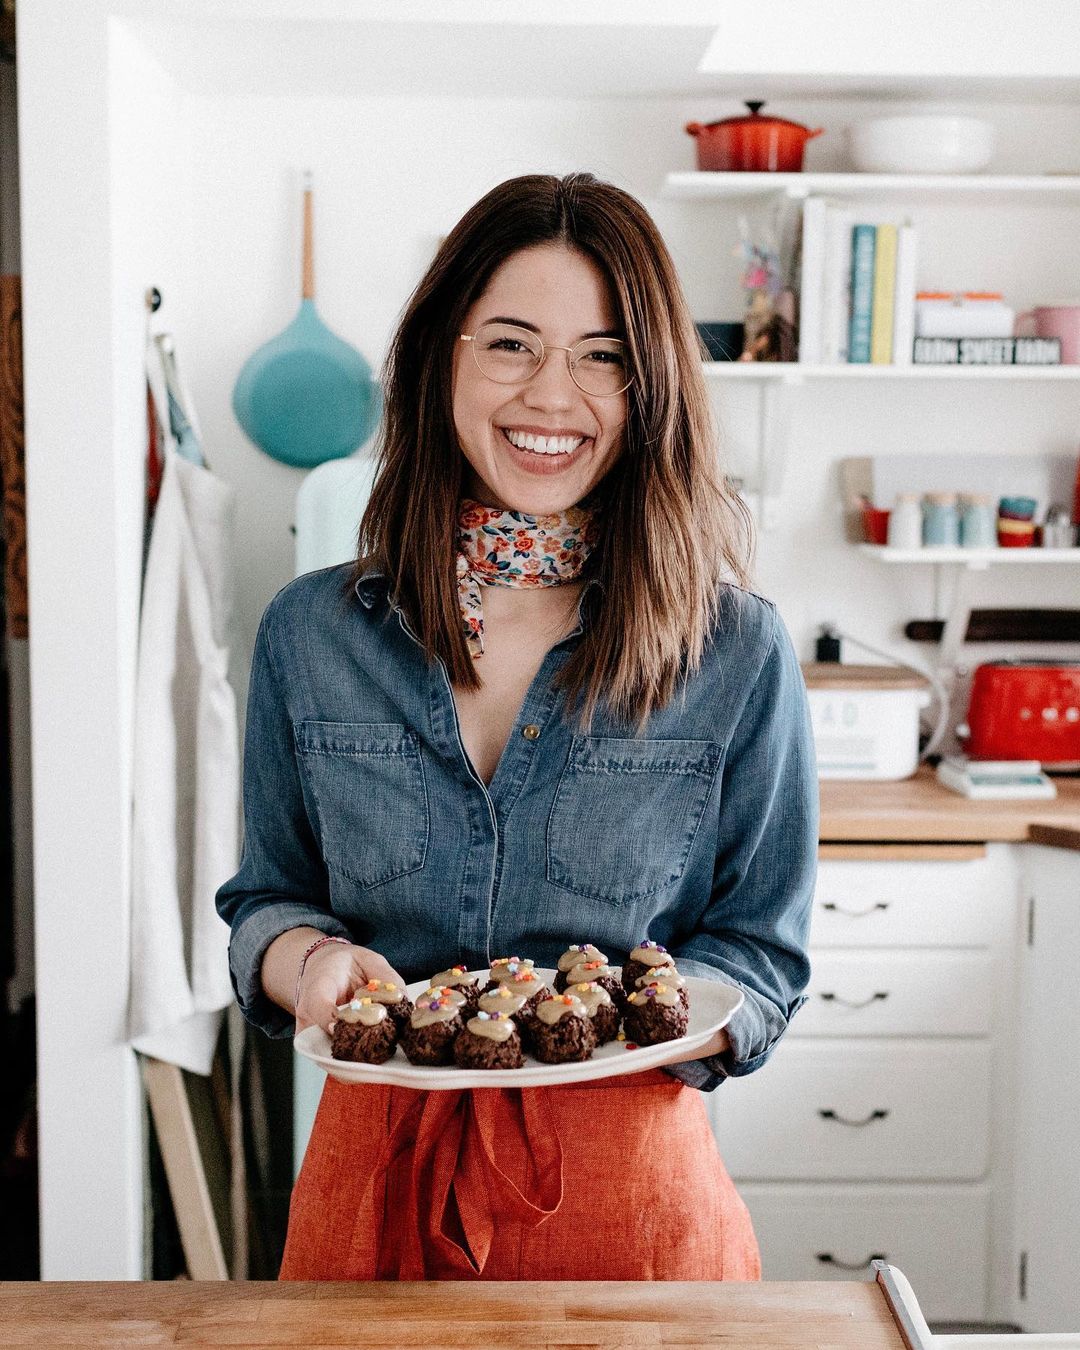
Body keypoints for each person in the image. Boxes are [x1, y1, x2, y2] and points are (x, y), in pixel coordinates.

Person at [216, 172, 818, 1282]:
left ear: (651, 392)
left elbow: (762, 956)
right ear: (443, 356)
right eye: (510, 343)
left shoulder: (733, 651)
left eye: (604, 356)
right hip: (373, 1198)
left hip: (631, 1213)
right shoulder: (312, 635)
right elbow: (268, 898)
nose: (555, 395)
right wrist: (308, 964)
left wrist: (673, 1012)